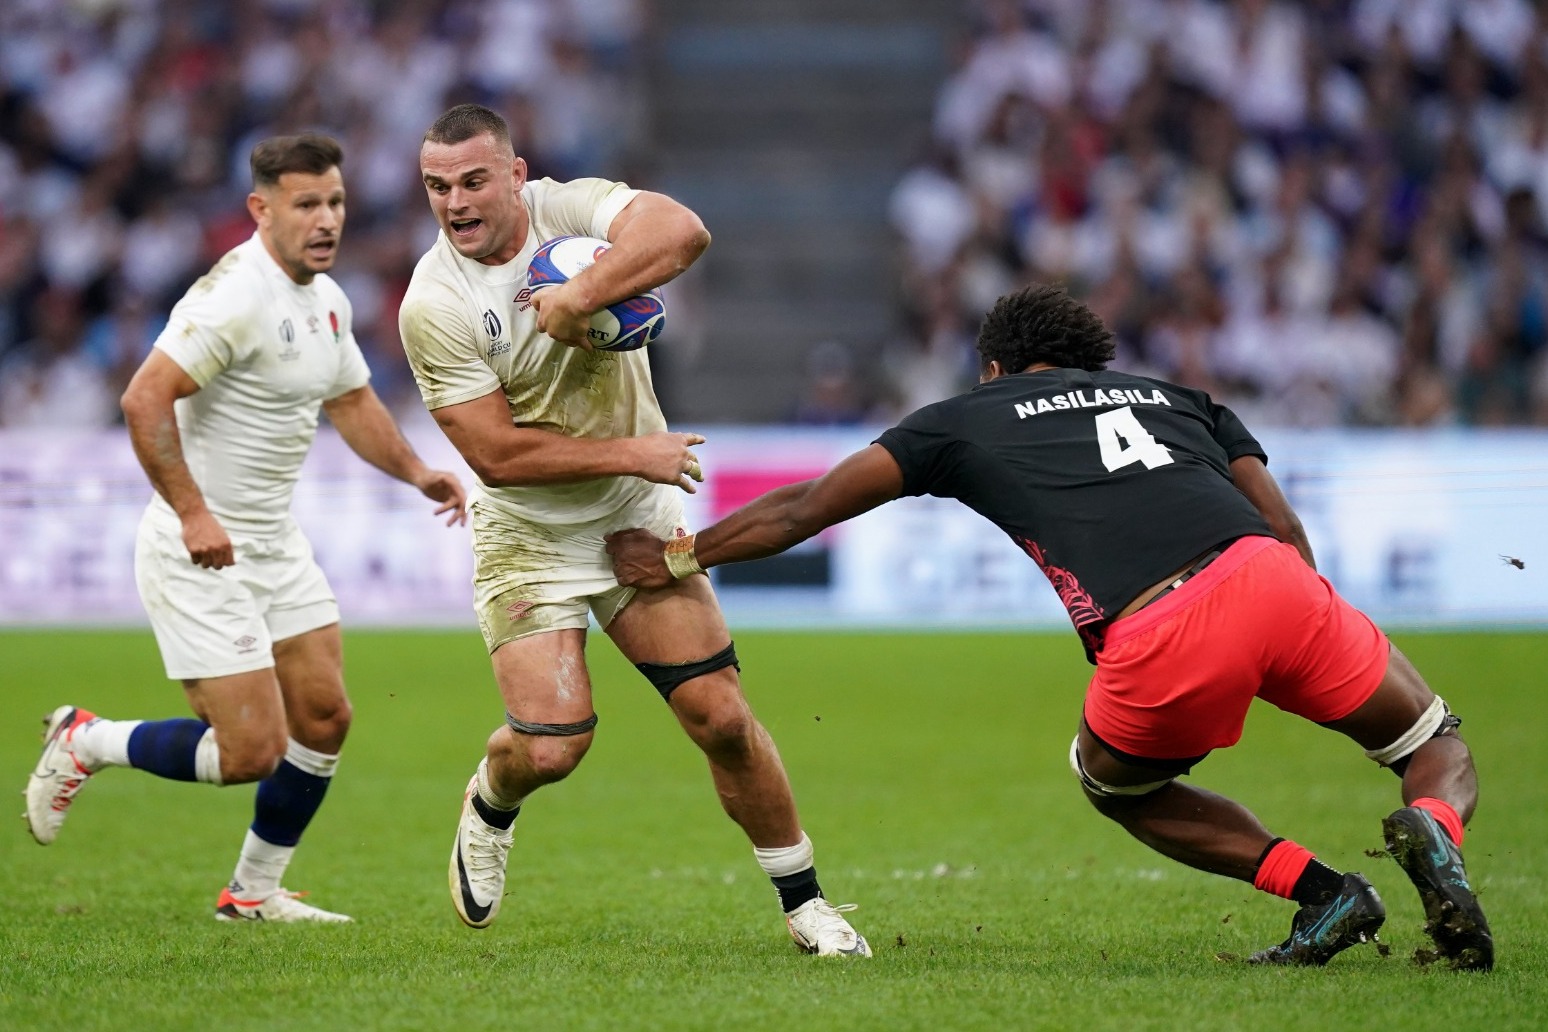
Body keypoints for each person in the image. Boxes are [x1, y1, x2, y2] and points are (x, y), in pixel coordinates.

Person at [608, 283, 1494, 971]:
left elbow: (806, 508)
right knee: (1432, 741)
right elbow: (1288, 532)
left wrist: (681, 557)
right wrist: (1297, 636)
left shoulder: (961, 420)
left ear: (992, 367)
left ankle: (1324, 892)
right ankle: (1436, 833)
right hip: (1277, 580)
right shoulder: (1180, 399)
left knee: (1117, 786)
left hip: (1158, 623)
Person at [396, 103, 869, 956]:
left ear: (515, 174)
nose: (455, 202)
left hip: (631, 516)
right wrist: (632, 451)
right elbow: (497, 457)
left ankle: (807, 907)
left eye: (472, 180)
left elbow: (681, 230)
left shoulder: (568, 208)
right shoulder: (433, 303)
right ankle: (491, 799)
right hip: (530, 537)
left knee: (721, 717)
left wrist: (580, 295)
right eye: (437, 186)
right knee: (553, 748)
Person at [24, 133, 469, 923]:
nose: (326, 219)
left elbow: (352, 401)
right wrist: (193, 511)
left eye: (334, 201)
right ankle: (86, 741)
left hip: (274, 544)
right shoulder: (232, 296)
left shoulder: (328, 300)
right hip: (198, 550)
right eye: (307, 204)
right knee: (249, 753)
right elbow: (143, 398)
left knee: (326, 716)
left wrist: (417, 471)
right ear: (261, 210)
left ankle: (253, 893)